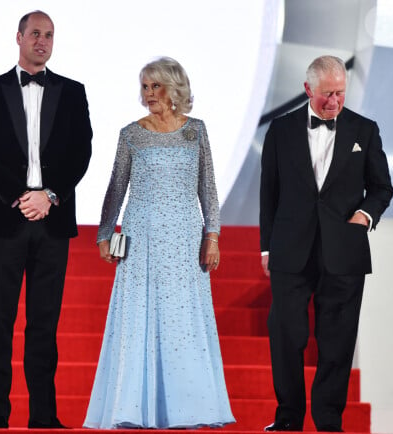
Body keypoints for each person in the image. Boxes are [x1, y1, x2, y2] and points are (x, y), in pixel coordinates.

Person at [83, 57, 235, 429]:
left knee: (183, 322)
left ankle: (190, 408)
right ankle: (133, 408)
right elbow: (116, 187)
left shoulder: (195, 131)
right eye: (145, 87)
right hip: (142, 238)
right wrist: (105, 233)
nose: (149, 93)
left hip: (185, 238)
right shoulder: (131, 134)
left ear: (175, 88)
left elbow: (208, 189)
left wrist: (212, 236)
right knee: (140, 318)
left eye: (156, 86)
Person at [0, 10, 93, 429]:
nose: (42, 41)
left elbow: (81, 153)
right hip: (7, 219)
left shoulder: (73, 92)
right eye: (35, 33)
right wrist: (23, 197)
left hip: (53, 221)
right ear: (18, 37)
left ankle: (44, 416)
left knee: (45, 324)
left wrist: (50, 196)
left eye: (49, 35)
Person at [260, 55, 393, 432]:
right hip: (290, 250)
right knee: (287, 334)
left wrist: (364, 216)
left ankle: (328, 422)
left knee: (336, 341)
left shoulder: (364, 130)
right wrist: (266, 247)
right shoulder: (279, 130)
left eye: (340, 93)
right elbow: (269, 193)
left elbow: (382, 187)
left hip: (344, 250)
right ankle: (287, 419)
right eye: (326, 94)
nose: (334, 101)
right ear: (308, 90)